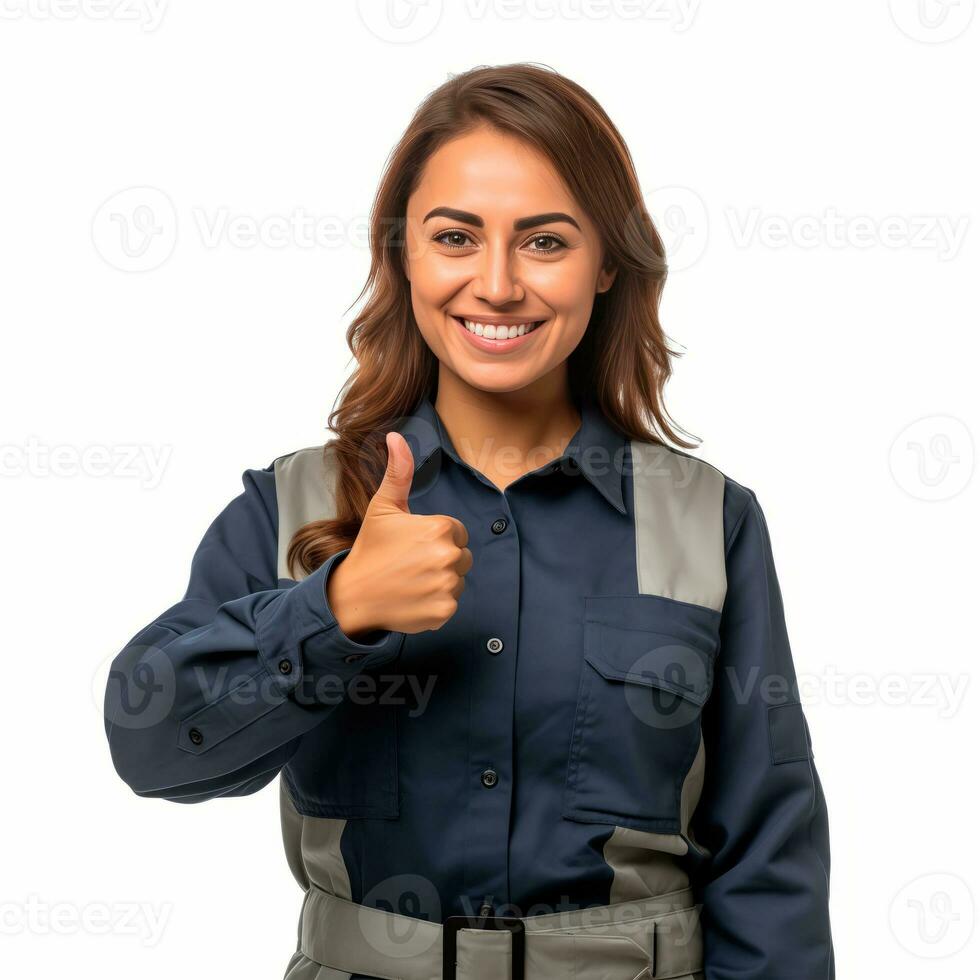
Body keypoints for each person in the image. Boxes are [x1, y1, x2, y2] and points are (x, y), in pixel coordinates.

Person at [103, 63, 835, 980]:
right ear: (403, 252)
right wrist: (336, 610)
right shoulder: (294, 506)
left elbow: (769, 855)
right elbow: (153, 748)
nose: (496, 284)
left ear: (608, 262)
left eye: (544, 242)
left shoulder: (708, 522)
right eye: (455, 237)